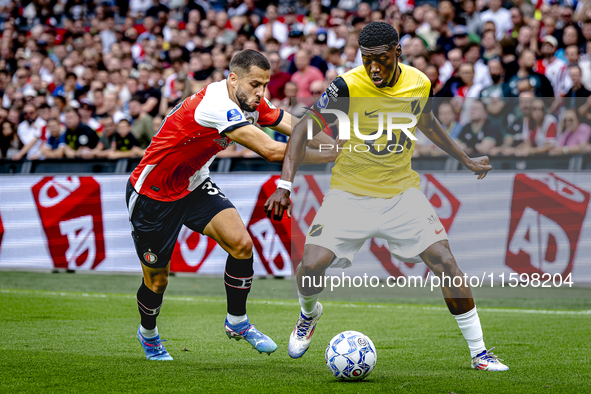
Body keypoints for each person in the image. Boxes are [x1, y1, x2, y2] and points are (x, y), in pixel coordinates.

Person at [264, 22, 508, 371]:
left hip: (401, 194)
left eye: (381, 59)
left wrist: (465, 158)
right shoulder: (346, 86)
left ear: (397, 52)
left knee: (446, 262)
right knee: (310, 268)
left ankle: (480, 353)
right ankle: (308, 314)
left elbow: (427, 123)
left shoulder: (419, 82)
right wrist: (285, 185)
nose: (373, 68)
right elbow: (303, 128)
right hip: (349, 193)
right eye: (367, 60)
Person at [127, 50, 338, 361]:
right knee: (157, 281)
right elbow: (270, 150)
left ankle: (237, 322)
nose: (260, 93)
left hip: (194, 184)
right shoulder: (215, 105)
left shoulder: (250, 101)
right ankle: (148, 334)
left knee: (241, 244)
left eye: (264, 85)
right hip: (152, 196)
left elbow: (298, 126)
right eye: (255, 84)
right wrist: (337, 154)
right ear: (233, 78)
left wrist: (341, 142)